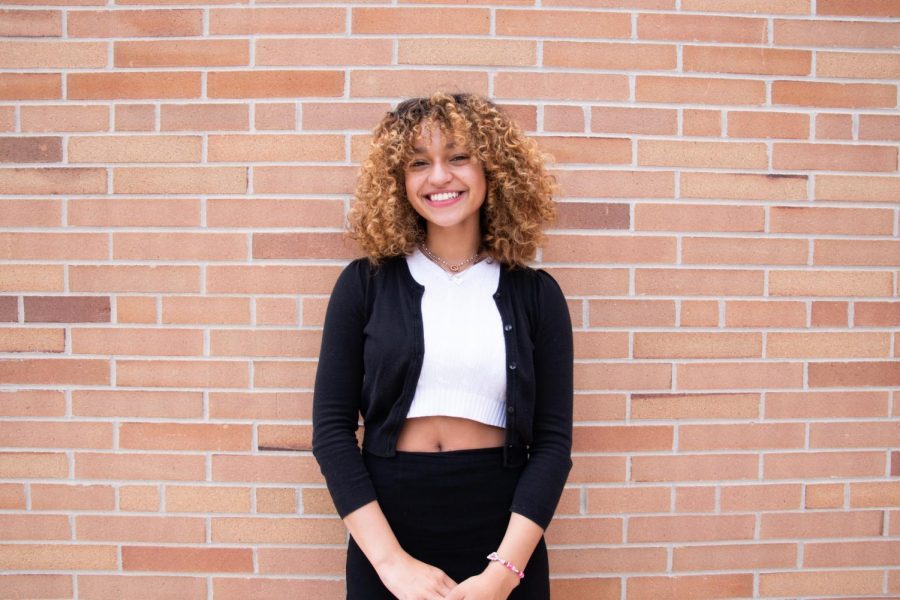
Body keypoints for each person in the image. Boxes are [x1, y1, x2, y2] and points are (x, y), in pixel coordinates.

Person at [312, 92, 573, 600]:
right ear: (398, 181)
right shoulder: (364, 286)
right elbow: (331, 433)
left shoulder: (536, 295)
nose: (438, 177)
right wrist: (392, 565)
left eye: (457, 157)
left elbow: (553, 444)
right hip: (387, 528)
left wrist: (502, 576)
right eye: (418, 163)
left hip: (503, 533)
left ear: (493, 168)